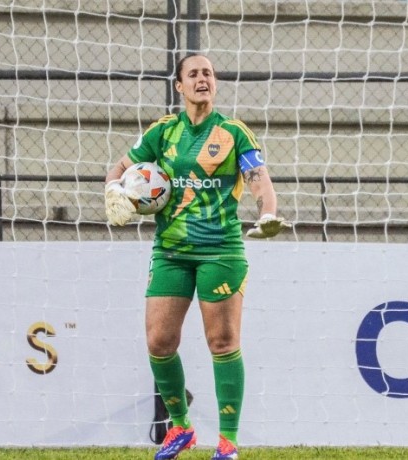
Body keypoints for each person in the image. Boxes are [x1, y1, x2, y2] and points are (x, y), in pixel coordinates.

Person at [104, 53, 290, 460]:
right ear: (180, 86)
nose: (202, 78)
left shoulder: (233, 133)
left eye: (208, 73)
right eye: (194, 73)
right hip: (170, 252)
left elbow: (260, 183)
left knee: (222, 342)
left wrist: (269, 214)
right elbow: (117, 170)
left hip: (220, 251)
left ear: (215, 84)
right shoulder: (162, 132)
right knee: (159, 341)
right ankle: (181, 428)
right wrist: (115, 193)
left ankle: (227, 443)